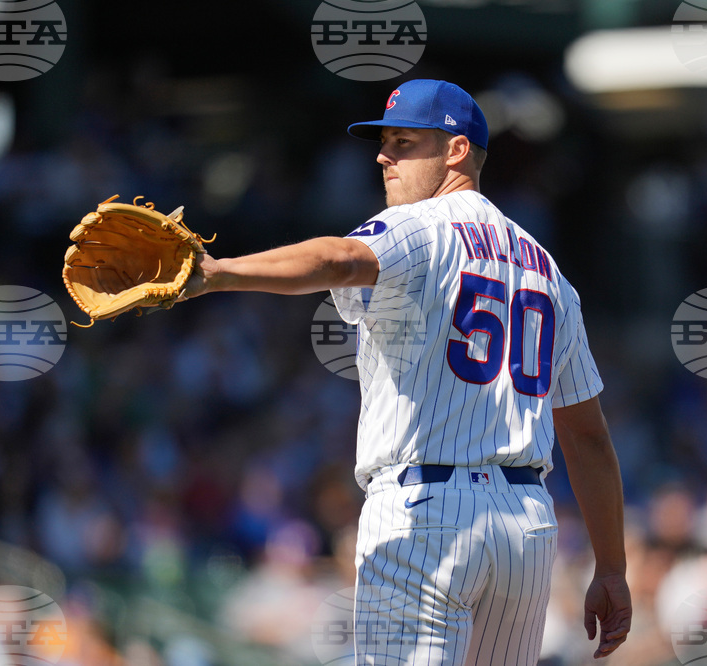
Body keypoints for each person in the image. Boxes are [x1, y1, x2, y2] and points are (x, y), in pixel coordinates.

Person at [183, 79, 631, 664]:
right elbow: (589, 436)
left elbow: (338, 258)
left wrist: (219, 271)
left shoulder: (420, 228)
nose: (383, 156)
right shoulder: (548, 270)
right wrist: (613, 567)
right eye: (384, 142)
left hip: (425, 513)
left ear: (457, 151)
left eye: (403, 142)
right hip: (526, 525)